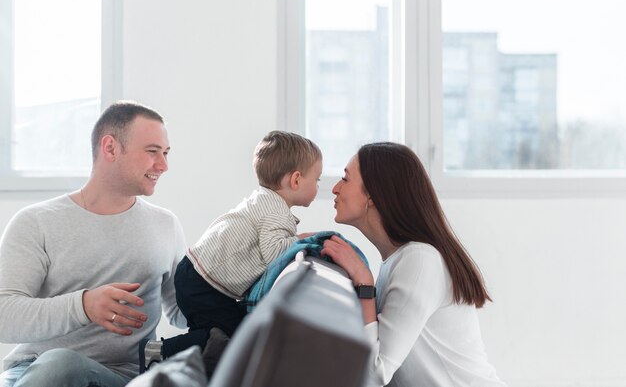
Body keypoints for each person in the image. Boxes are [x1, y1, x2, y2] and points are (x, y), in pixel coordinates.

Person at [0, 101, 187, 387]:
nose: (163, 165)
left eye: (165, 153)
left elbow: (181, 312)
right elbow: (4, 315)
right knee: (59, 365)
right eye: (152, 152)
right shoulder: (36, 222)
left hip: (123, 377)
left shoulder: (166, 225)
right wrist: (84, 305)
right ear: (110, 148)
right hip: (35, 371)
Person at [321, 142, 507, 387]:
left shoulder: (419, 261)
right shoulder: (399, 260)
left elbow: (373, 375)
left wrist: (364, 284)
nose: (335, 188)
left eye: (345, 179)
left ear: (373, 196)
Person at [142, 130, 323, 372]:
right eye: (317, 179)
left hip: (196, 275)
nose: (318, 186)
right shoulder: (277, 212)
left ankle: (181, 367)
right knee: (230, 334)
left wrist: (295, 238)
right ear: (297, 180)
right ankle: (160, 353)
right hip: (204, 284)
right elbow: (274, 252)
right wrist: (306, 243)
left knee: (216, 335)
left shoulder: (263, 199)